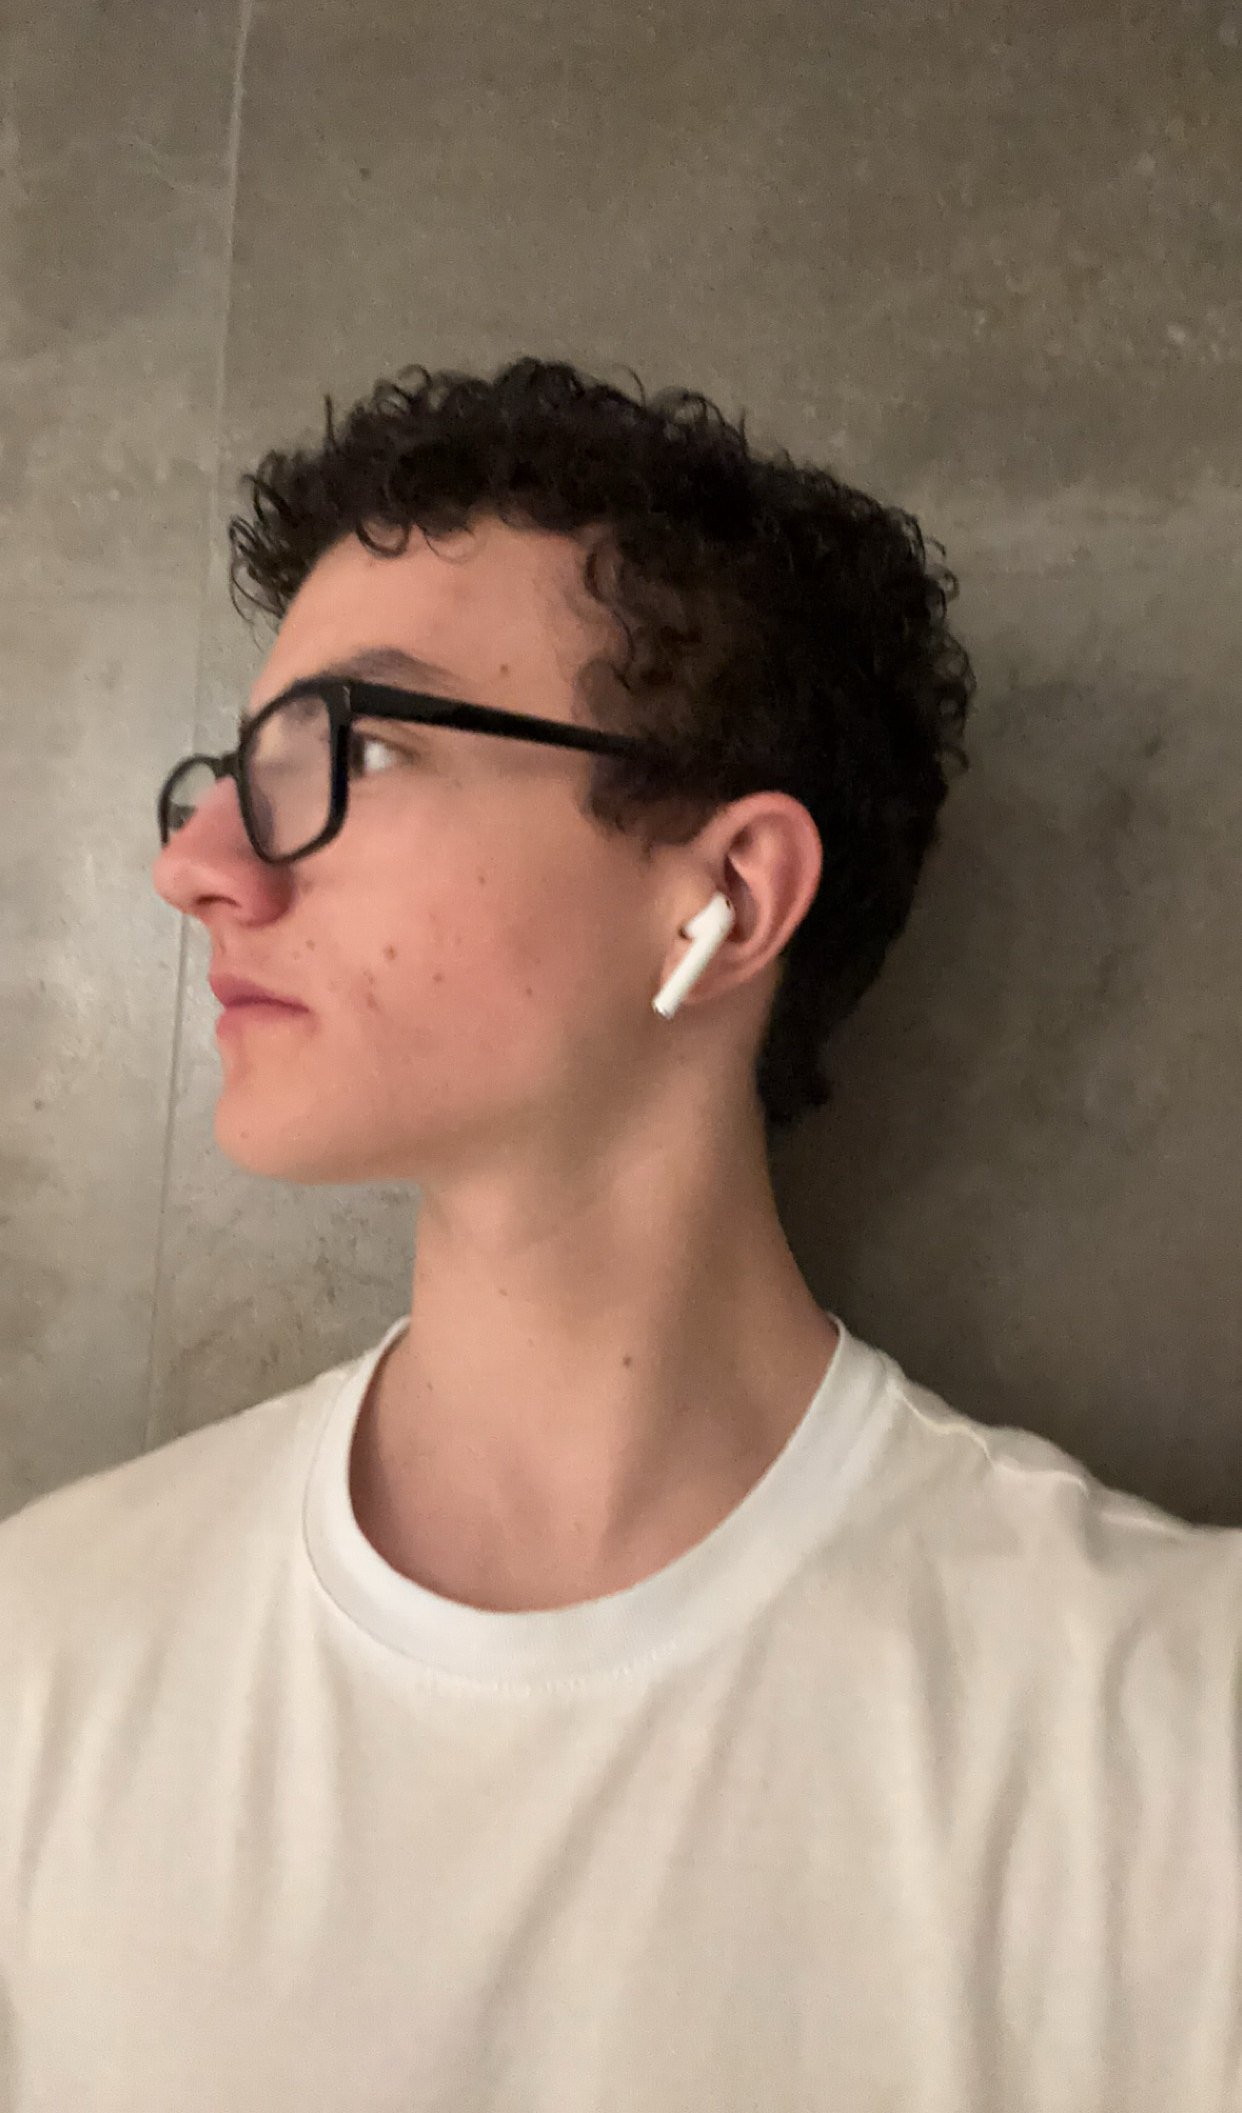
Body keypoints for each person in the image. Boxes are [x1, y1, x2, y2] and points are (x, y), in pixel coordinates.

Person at [1, 359, 1238, 2112]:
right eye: (234, 769)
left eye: (353, 750)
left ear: (725, 895)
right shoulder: (47, 1655)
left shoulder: (1166, 1741)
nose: (200, 864)